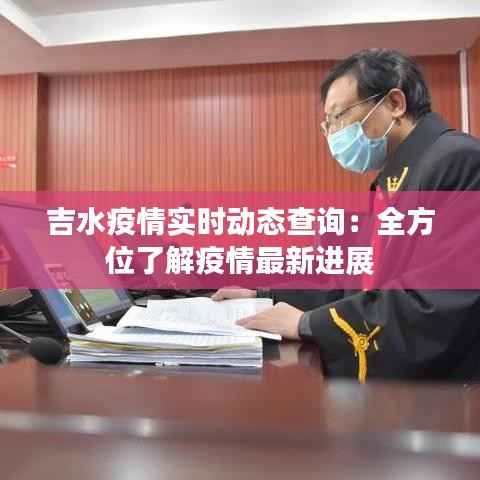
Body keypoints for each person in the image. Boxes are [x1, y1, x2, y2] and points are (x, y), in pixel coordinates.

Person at [212, 48, 480, 382]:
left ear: (395, 103)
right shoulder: (395, 179)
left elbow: (437, 300)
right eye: (327, 125)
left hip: (448, 393)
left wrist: (307, 323)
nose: (333, 134)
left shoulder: (460, 162)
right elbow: (356, 286)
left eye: (339, 116)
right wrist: (265, 296)